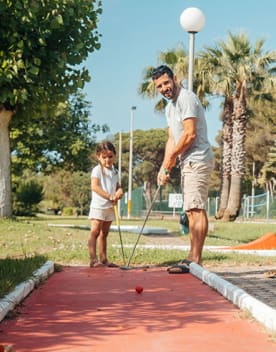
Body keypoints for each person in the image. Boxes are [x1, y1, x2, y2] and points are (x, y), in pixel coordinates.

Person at [151, 65, 214, 273]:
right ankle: (192, 257)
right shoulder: (170, 107)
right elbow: (173, 138)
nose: (164, 88)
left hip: (198, 158)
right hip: (186, 161)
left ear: (175, 79)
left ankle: (196, 259)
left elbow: (190, 135)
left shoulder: (186, 98)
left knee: (196, 208)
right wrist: (164, 166)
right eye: (159, 86)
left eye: (166, 83)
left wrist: (171, 159)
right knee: (190, 210)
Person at [88, 141, 123, 268]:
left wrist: (119, 191)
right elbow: (94, 186)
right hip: (99, 205)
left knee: (105, 233)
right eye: (104, 157)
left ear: (114, 156)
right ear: (98, 157)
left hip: (110, 206)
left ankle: (103, 259)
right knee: (95, 231)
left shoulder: (115, 171)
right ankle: (93, 259)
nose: (107, 160)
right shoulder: (97, 170)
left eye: (110, 156)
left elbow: (118, 186)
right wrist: (109, 196)